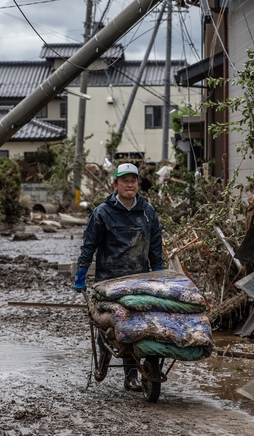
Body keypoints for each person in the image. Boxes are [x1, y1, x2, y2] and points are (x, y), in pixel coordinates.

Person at [74, 162, 164, 392]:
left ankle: (131, 377)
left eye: (133, 180)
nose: (130, 184)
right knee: (108, 326)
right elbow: (89, 246)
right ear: (115, 184)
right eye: (124, 180)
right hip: (109, 282)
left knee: (135, 326)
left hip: (138, 281)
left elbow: (155, 249)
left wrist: (159, 276)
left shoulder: (147, 211)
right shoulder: (102, 213)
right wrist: (81, 273)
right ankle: (103, 358)